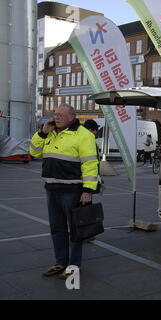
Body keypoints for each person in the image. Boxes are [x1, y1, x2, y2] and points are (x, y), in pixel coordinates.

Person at [29, 104, 99, 279]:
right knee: (56, 228)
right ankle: (60, 262)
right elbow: (34, 152)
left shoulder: (83, 135)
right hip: (51, 189)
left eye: (61, 114)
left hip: (72, 191)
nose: (56, 117)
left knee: (75, 230)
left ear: (71, 117)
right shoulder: (50, 133)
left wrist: (88, 190)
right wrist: (42, 133)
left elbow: (90, 164)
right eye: (55, 114)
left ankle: (74, 265)